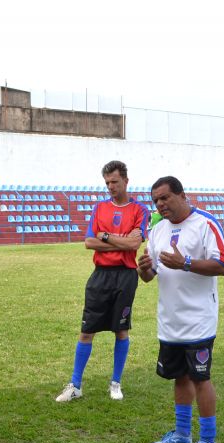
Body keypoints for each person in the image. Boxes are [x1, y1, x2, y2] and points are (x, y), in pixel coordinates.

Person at [138, 176, 224, 443]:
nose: (160, 204)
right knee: (179, 376)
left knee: (200, 377)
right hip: (170, 318)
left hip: (199, 318)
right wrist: (144, 270)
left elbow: (222, 266)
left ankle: (208, 441)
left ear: (182, 195)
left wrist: (185, 263)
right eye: (156, 200)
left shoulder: (205, 224)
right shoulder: (157, 230)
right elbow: (151, 275)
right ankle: (181, 433)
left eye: (165, 198)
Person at [55, 160, 149, 403]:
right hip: (101, 275)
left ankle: (115, 383)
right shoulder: (100, 208)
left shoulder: (139, 210)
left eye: (115, 182)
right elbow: (89, 242)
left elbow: (134, 244)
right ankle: (75, 385)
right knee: (87, 330)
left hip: (126, 276)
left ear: (126, 181)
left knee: (121, 329)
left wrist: (105, 236)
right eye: (107, 183)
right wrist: (120, 240)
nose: (110, 187)